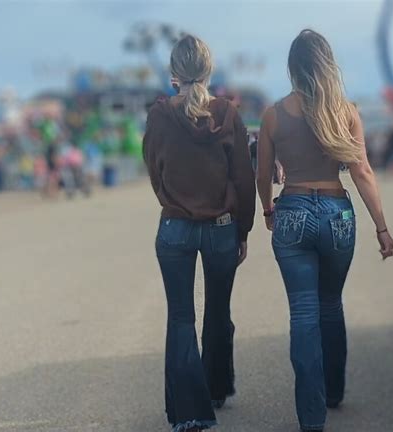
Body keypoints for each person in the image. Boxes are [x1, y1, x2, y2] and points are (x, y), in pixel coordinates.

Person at [256, 29, 393, 432]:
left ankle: (311, 417)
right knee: (331, 305)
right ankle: (334, 390)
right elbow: (362, 171)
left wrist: (268, 209)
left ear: (292, 67)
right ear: (326, 63)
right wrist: (381, 228)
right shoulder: (346, 112)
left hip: (293, 210)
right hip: (339, 213)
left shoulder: (273, 114)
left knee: (303, 313)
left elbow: (263, 174)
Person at [143, 35, 255, 432]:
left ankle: (188, 413)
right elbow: (243, 177)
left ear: (174, 74)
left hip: (175, 227)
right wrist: (243, 229)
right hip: (222, 228)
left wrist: (173, 201)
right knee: (218, 310)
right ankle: (217, 388)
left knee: (180, 318)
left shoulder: (159, 116)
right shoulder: (227, 113)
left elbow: (153, 169)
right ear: (209, 70)